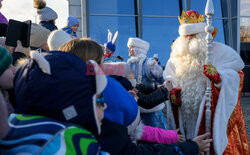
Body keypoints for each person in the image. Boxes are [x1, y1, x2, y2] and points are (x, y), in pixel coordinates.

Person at [58, 38, 213, 155]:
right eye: (129, 48)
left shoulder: (67, 98)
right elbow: (137, 140)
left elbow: (140, 87)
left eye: (132, 48)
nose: (130, 51)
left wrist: (154, 86)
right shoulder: (107, 91)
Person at [163, 10, 249, 154]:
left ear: (202, 35)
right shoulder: (176, 57)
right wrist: (172, 92)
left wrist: (218, 77)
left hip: (211, 114)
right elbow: (169, 78)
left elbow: (236, 75)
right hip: (186, 113)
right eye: (185, 36)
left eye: (192, 35)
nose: (188, 39)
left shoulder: (220, 51)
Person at [0, 50, 108, 154]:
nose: (105, 106)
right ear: (71, 108)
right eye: (99, 100)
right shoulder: (76, 144)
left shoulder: (13, 126)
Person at [127, 37, 167, 129]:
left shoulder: (149, 63)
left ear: (138, 49)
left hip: (151, 107)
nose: (129, 50)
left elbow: (161, 80)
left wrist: (157, 71)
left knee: (156, 134)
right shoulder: (129, 63)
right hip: (136, 107)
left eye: (131, 47)